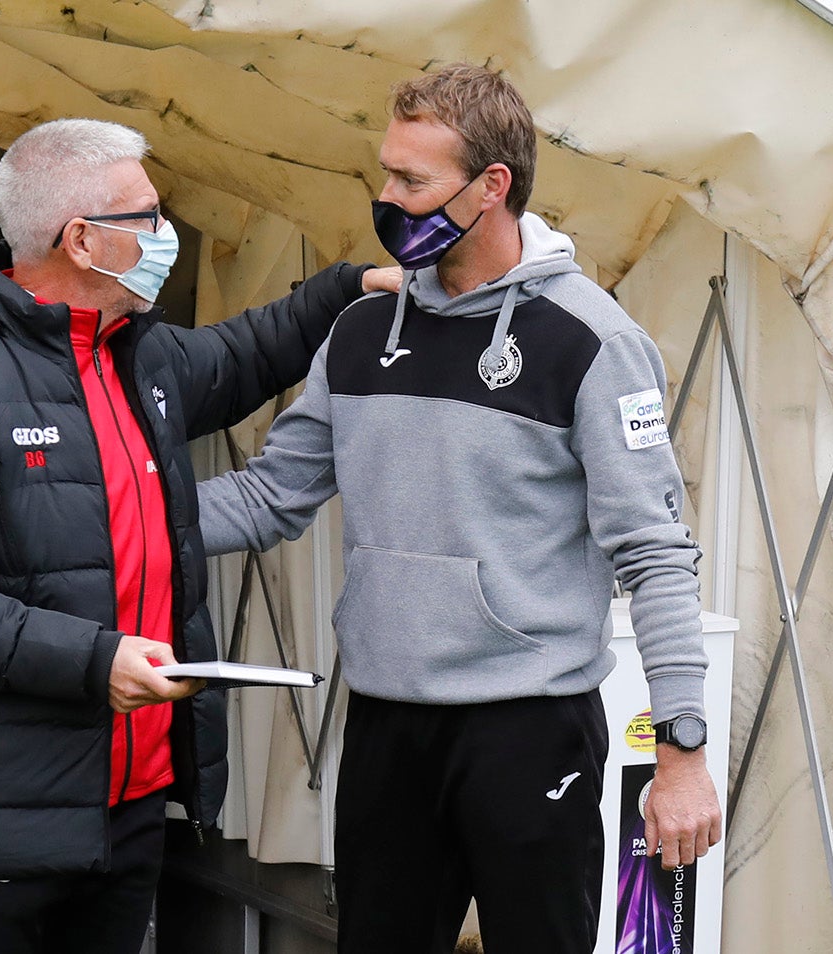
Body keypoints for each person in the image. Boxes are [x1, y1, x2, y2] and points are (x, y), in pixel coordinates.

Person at [197, 65, 722, 953]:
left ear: (492, 187)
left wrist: (682, 751)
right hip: (385, 723)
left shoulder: (591, 341)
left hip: (528, 726)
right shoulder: (360, 333)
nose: (387, 198)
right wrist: (103, 521)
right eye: (386, 174)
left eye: (412, 181)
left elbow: (655, 552)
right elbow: (269, 495)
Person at [0, 118, 395, 954]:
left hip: (127, 815)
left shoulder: (130, 352)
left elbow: (242, 356)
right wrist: (92, 660)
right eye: (147, 216)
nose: (165, 234)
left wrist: (352, 286)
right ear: (82, 239)